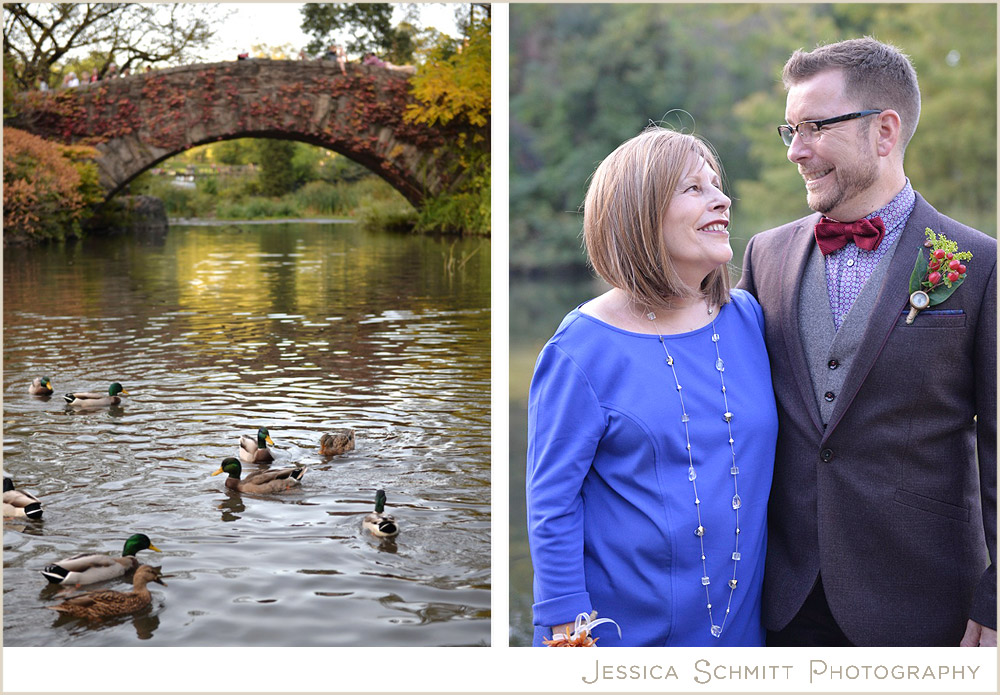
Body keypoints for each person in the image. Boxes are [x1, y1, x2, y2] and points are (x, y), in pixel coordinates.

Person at [738, 37, 996, 647]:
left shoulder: (979, 266)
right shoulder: (763, 255)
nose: (796, 151)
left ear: (884, 130)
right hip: (783, 602)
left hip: (929, 606)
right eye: (790, 130)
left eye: (814, 127)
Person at [526, 126, 778, 647]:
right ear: (639, 213)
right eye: (694, 188)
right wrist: (569, 635)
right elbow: (552, 505)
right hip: (617, 640)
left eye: (717, 183)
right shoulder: (581, 350)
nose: (721, 198)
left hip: (743, 640)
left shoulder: (749, 319)